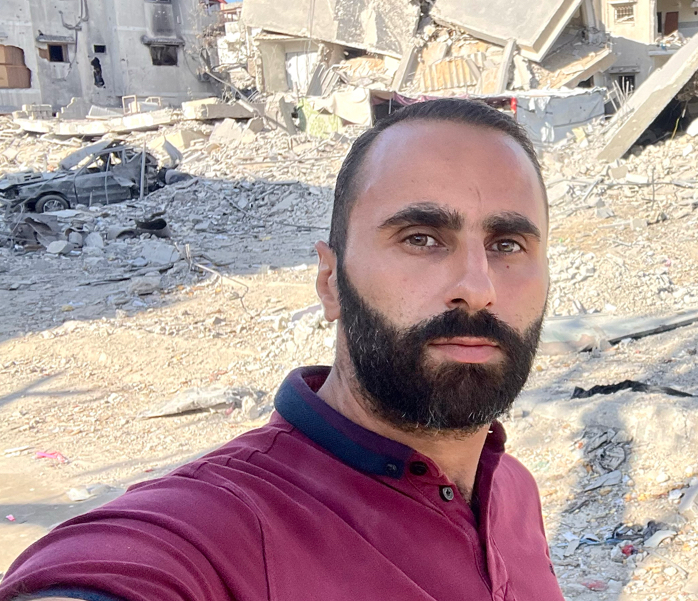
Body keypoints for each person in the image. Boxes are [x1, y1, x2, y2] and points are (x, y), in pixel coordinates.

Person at [0, 99, 564, 601]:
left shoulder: (511, 489)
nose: (478, 287)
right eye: (421, 238)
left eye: (507, 244)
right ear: (330, 281)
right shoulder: (222, 530)